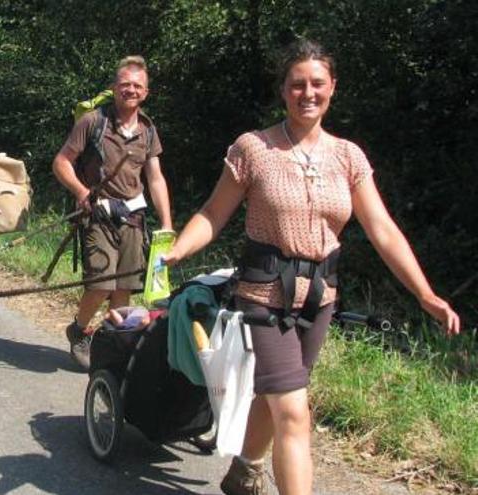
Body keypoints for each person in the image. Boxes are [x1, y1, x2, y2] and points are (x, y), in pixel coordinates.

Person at [161, 39, 460, 495]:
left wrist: (424, 293)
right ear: (283, 90)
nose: (308, 93)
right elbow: (212, 214)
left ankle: (243, 474)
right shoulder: (253, 149)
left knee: (279, 394)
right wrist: (179, 249)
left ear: (333, 88)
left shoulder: (348, 157)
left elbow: (381, 228)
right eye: (297, 84)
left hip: (319, 300)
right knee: (295, 411)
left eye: (317, 83)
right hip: (264, 296)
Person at [52, 55, 173, 370]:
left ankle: (111, 345)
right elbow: (62, 161)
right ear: (114, 88)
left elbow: (155, 177)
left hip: (133, 218)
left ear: (146, 92)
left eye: (137, 86)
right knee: (101, 284)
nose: (130, 90)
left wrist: (167, 223)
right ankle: (78, 331)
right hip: (98, 215)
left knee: (124, 289)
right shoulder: (93, 121)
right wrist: (81, 192)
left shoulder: (147, 129)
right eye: (125, 85)